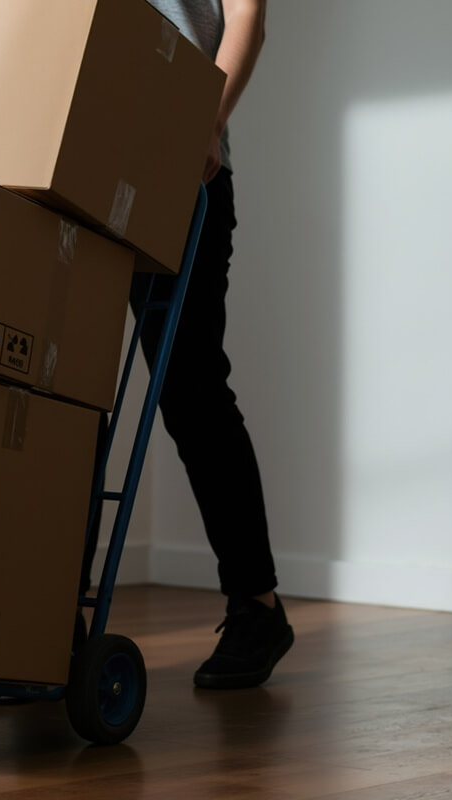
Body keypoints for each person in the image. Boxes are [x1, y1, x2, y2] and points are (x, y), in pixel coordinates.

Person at [137, 0, 291, 689]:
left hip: (182, 170)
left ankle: (257, 605)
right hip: (70, 156)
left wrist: (208, 122)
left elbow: (247, 17)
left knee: (190, 390)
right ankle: (49, 617)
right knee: (62, 395)